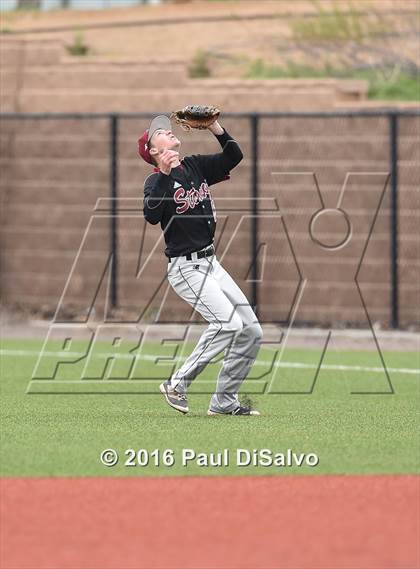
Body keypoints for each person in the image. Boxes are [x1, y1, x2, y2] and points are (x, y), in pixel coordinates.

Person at [138, 114, 262, 416]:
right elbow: (152, 215)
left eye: (168, 130)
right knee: (228, 323)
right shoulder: (155, 181)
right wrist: (166, 174)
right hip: (185, 268)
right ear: (153, 151)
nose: (168, 132)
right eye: (161, 134)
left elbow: (234, 156)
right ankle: (177, 383)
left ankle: (223, 402)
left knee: (251, 331)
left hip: (211, 263)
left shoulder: (194, 165)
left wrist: (214, 128)